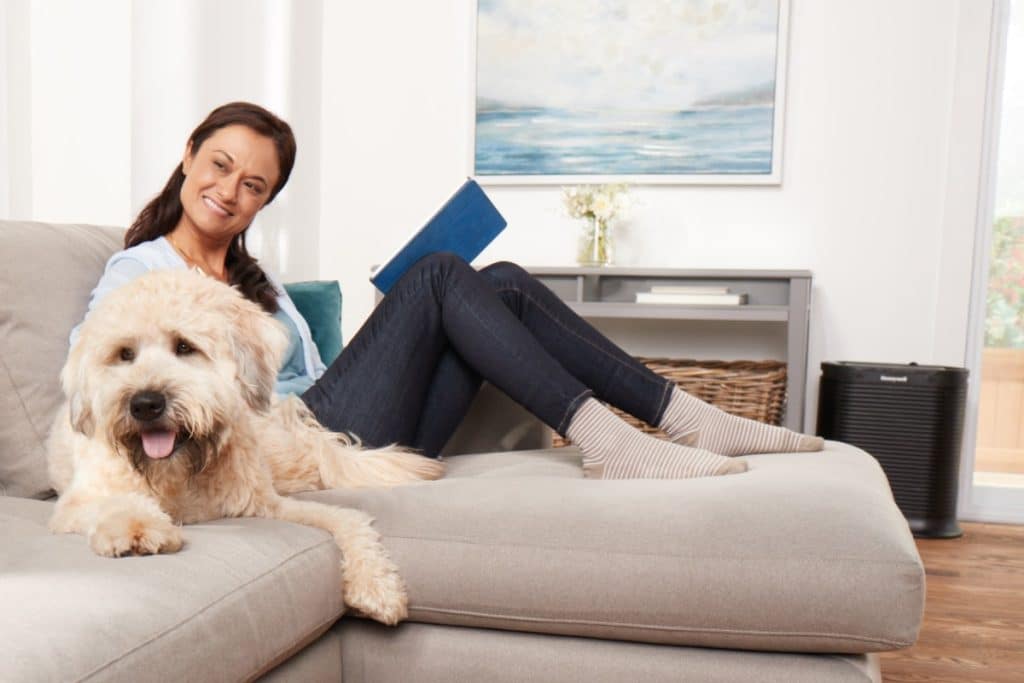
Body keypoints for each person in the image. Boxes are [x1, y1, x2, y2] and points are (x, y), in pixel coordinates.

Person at [73, 102, 823, 481]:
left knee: (499, 284)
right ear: (187, 158)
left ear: (265, 200)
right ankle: (612, 441)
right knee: (439, 274)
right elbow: (92, 375)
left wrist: (394, 329)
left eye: (252, 183)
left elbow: (317, 373)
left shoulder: (251, 279)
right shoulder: (140, 274)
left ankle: (687, 417)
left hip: (343, 429)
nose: (227, 190)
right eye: (218, 164)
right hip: (287, 449)